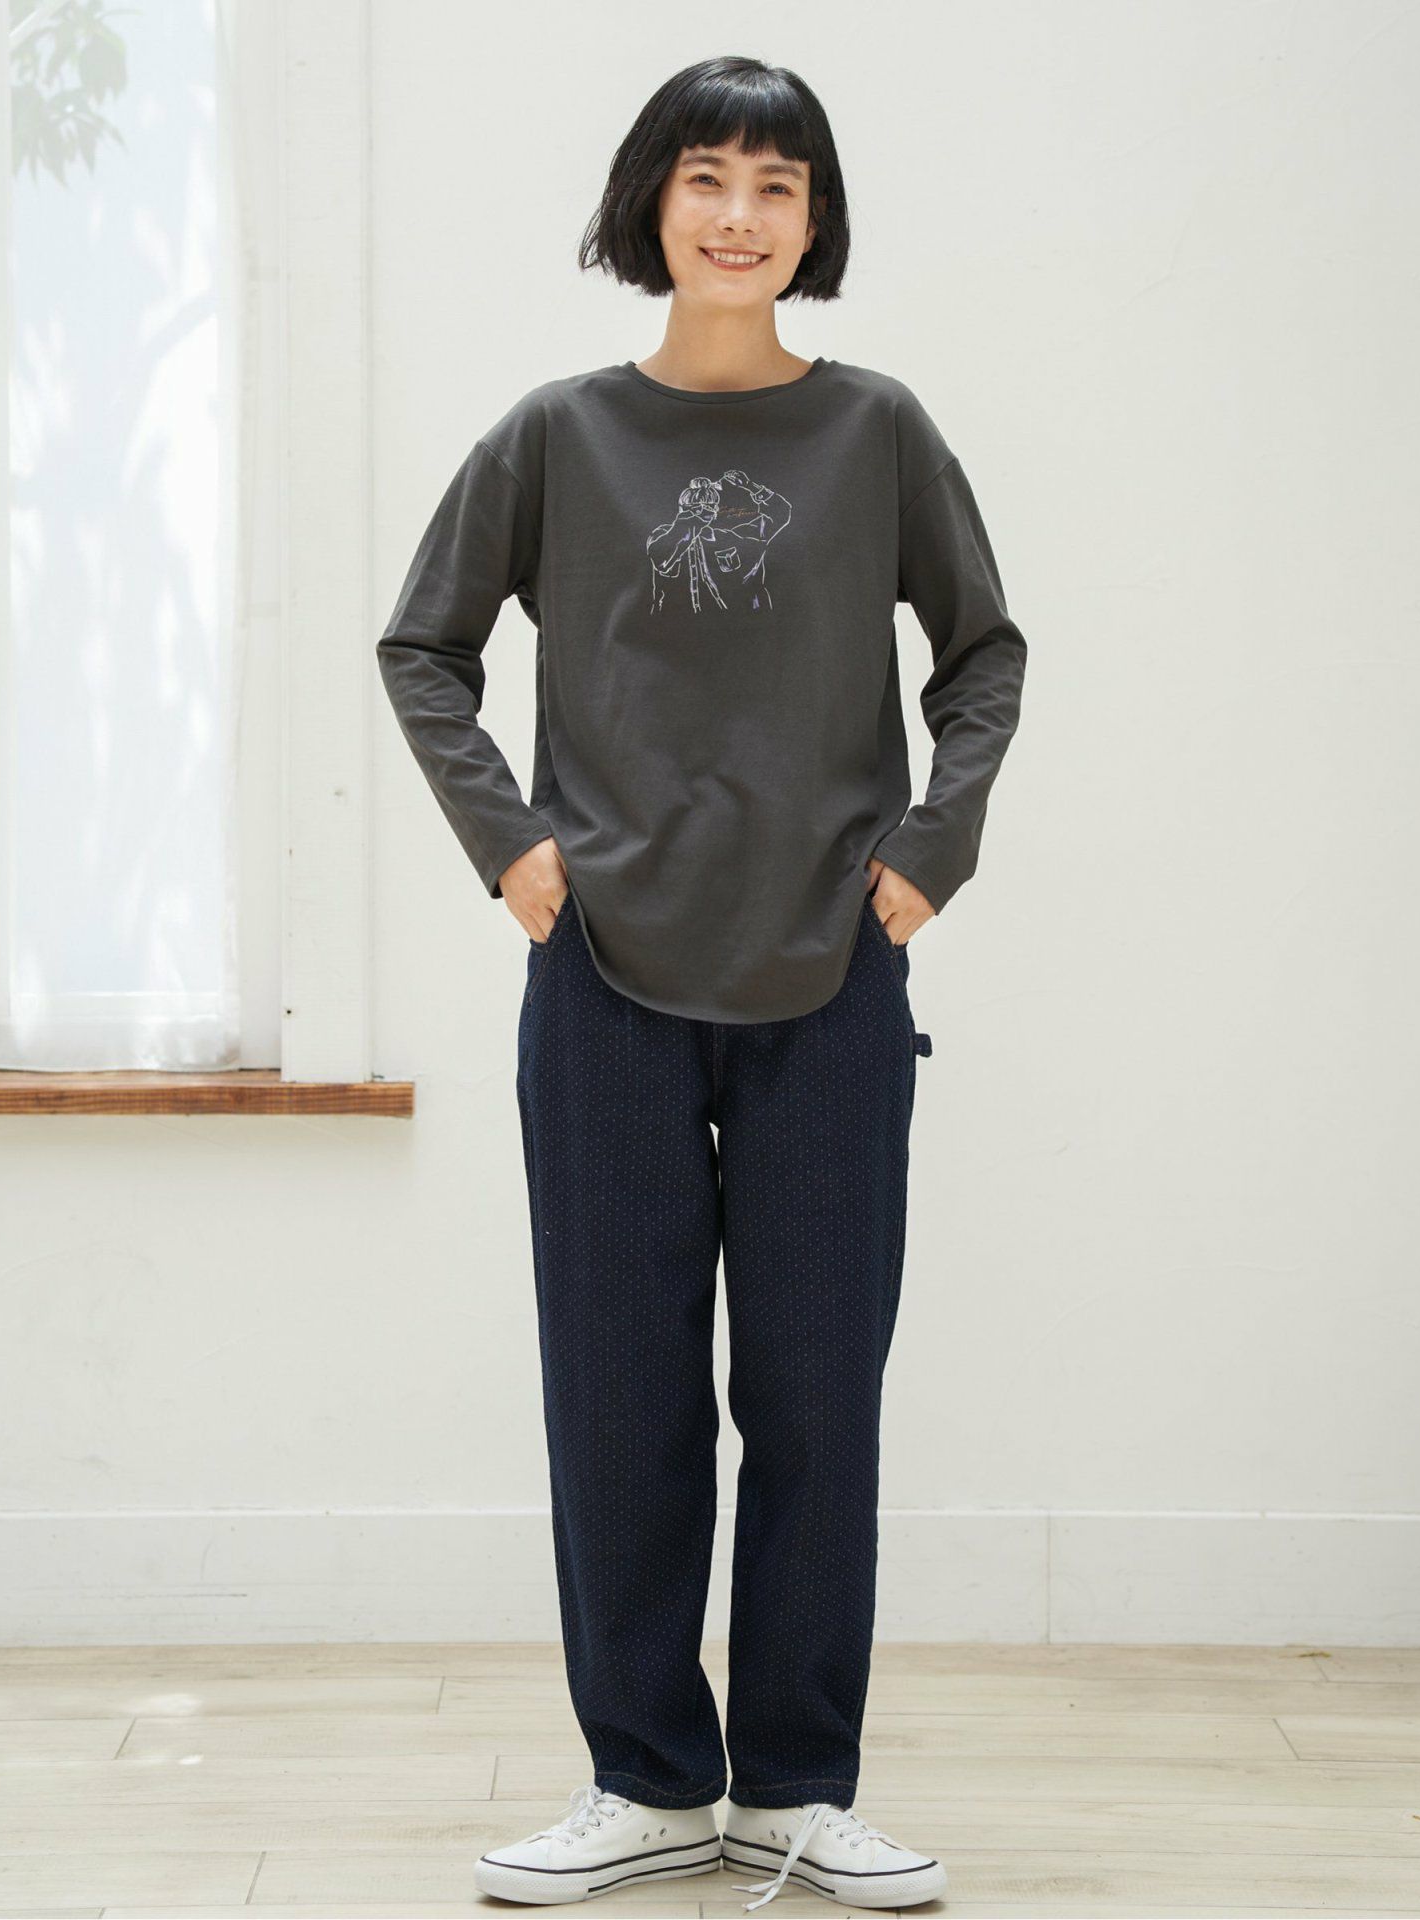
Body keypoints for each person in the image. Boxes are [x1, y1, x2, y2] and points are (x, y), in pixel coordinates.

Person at [376, 53, 1027, 1912]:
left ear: (816, 221)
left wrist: (931, 850)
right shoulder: (558, 436)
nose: (740, 216)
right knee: (621, 1395)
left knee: (817, 1396)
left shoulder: (878, 431)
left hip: (832, 974)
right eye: (707, 179)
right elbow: (425, 648)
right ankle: (648, 1780)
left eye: (777, 185)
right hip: (602, 981)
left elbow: (983, 655)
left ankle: (801, 1785)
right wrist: (515, 850)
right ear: (649, 203)